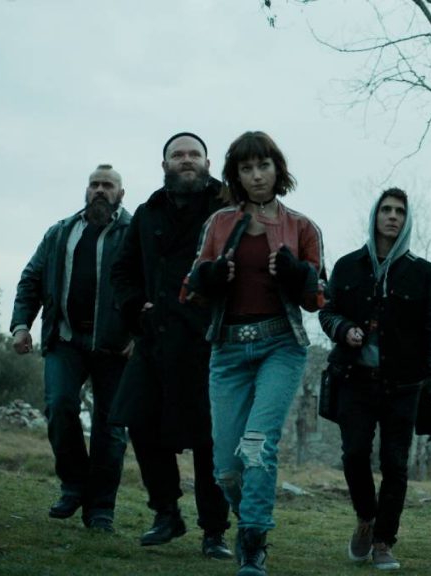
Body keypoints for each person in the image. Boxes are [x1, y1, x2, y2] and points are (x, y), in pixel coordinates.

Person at [183, 131, 326, 576]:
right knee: (226, 468)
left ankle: (253, 541)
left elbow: (319, 296)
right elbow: (191, 288)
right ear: (236, 175)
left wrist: (298, 274)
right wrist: (209, 277)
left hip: (280, 346)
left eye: (264, 166)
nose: (257, 175)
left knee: (257, 444)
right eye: (247, 168)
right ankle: (250, 515)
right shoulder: (219, 223)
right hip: (227, 350)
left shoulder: (302, 226)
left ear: (277, 169)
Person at [109, 132, 232, 558]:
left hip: (209, 341)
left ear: (208, 163)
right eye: (178, 155)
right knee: (139, 421)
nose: (186, 160)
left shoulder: (227, 208)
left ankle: (214, 531)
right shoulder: (148, 212)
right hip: (155, 335)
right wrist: (135, 307)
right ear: (165, 165)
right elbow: (122, 271)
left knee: (209, 440)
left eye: (194, 154)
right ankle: (166, 513)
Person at [319, 188, 431, 571]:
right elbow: (327, 312)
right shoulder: (347, 266)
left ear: (406, 220)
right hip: (354, 379)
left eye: (399, 211)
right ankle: (366, 517)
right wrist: (343, 329)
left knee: (395, 464)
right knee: (354, 454)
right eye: (386, 210)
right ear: (375, 216)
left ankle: (383, 541)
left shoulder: (424, 273)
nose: (392, 216)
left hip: (403, 385)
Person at [10, 164, 132, 532]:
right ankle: (74, 485)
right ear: (86, 190)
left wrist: (140, 336)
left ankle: (101, 509)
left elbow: (153, 287)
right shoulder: (60, 232)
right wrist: (21, 325)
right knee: (59, 405)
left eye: (107, 185)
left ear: (121, 194)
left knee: (111, 428)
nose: (99, 190)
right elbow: (31, 279)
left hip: (116, 347)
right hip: (64, 339)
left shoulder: (134, 234)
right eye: (94, 184)